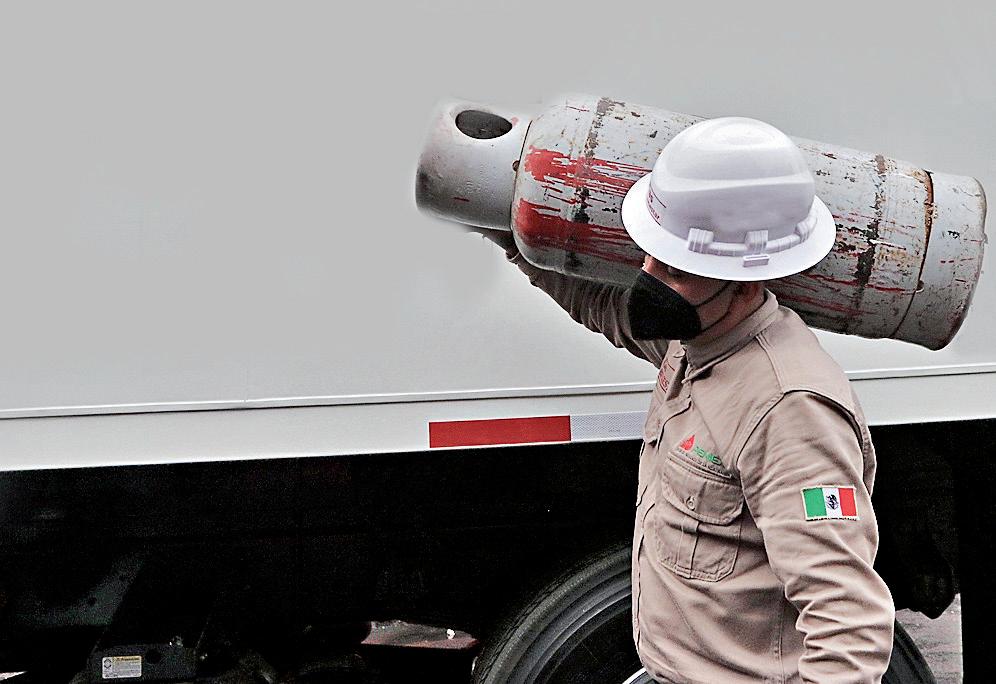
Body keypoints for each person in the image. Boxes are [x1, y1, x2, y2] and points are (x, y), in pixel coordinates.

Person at [475, 117, 896, 683]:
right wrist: (506, 232)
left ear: (747, 278)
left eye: (673, 269)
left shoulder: (788, 407)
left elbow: (849, 626)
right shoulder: (698, 338)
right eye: (650, 254)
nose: (648, 278)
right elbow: (602, 306)